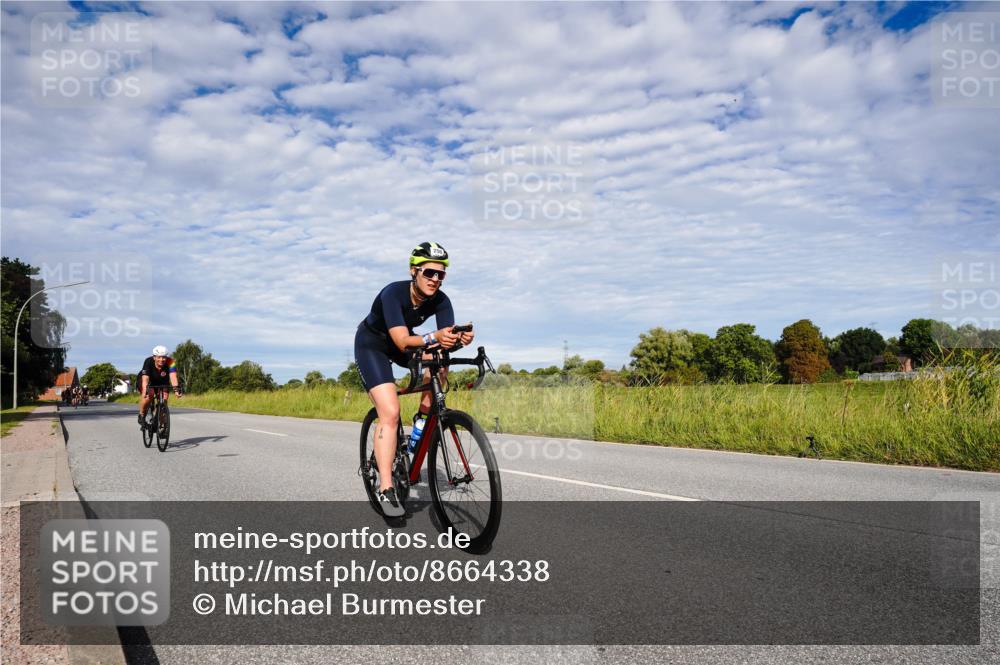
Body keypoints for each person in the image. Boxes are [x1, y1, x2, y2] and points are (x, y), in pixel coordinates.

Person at [355, 242, 474, 516]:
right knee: (390, 411)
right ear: (414, 271)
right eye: (429, 273)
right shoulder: (393, 293)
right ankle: (386, 487)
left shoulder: (442, 300)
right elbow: (400, 339)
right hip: (373, 343)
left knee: (440, 366)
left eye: (441, 274)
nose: (435, 279)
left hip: (405, 343)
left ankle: (420, 426)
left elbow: (443, 341)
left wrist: (459, 340)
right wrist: (436, 337)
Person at [138, 345, 182, 426]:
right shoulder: (148, 361)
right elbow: (145, 379)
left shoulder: (171, 362)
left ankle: (161, 427)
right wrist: (145, 390)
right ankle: (141, 414)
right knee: (149, 395)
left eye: (164, 357)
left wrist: (176, 390)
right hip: (149, 381)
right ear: (154, 357)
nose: (161, 360)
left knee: (164, 401)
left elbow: (173, 376)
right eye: (159, 357)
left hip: (162, 381)